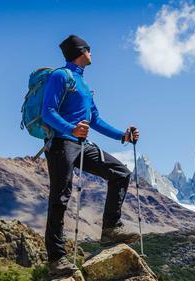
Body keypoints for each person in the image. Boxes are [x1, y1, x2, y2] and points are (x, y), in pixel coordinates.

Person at [41, 34, 140, 279]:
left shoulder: (83, 84)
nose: (92, 53)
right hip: (61, 144)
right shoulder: (60, 76)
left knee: (120, 172)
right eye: (89, 50)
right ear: (80, 51)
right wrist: (70, 129)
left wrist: (122, 136)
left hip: (82, 144)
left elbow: (94, 119)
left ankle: (110, 228)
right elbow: (47, 112)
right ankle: (56, 259)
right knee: (60, 197)